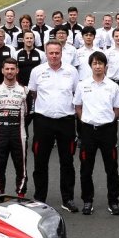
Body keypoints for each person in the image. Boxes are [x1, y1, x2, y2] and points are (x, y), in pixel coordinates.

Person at [29, 40, 80, 212]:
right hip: (43, 120)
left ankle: (68, 199)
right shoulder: (37, 71)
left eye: (57, 53)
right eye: (51, 53)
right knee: (40, 161)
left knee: (67, 161)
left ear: (61, 53)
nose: (54, 56)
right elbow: (34, 93)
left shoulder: (71, 71)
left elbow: (75, 93)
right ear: (46, 53)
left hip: (66, 120)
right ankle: (39, 198)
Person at [73, 52, 119, 215]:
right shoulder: (82, 85)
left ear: (105, 66)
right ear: (90, 66)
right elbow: (78, 107)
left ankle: (113, 202)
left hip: (107, 130)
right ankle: (87, 201)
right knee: (86, 169)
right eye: (94, 63)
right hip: (88, 130)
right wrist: (86, 120)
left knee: (112, 168)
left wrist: (108, 120)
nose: (97, 66)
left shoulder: (113, 86)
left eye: (100, 63)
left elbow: (117, 109)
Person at [0, 59, 30, 196]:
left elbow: (28, 113)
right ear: (2, 70)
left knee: (21, 167)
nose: (9, 71)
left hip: (18, 133)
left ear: (17, 70)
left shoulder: (25, 90)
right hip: (0, 134)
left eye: (12, 69)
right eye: (7, 69)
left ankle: (21, 195)